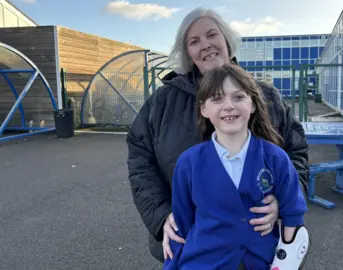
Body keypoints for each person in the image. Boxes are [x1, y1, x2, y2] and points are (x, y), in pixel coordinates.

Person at [125, 7, 310, 264]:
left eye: (212, 35)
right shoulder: (161, 103)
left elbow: (295, 153)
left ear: (226, 40)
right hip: (195, 247)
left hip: (259, 251)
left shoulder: (265, 96)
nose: (206, 45)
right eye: (194, 41)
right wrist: (161, 214)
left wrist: (283, 202)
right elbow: (139, 161)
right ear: (187, 52)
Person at [162, 64, 308, 269]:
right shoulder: (188, 163)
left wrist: (286, 264)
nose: (228, 105)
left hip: (262, 262)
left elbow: (293, 214)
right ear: (204, 109)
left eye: (238, 97)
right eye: (217, 99)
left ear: (253, 105)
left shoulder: (276, 158)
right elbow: (182, 223)